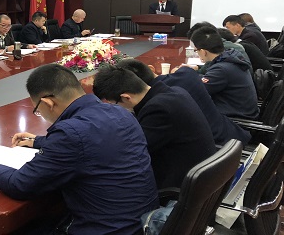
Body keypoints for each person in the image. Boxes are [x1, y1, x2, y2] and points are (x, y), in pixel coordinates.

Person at [0, 64, 158, 233]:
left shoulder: (70, 134)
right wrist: (38, 141)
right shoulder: (122, 113)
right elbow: (94, 141)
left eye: (37, 110)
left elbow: (20, 185)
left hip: (105, 229)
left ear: (48, 103)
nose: (39, 114)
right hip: (144, 222)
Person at [93, 65, 215, 189]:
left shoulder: (158, 109)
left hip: (180, 187)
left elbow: (131, 152)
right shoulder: (174, 91)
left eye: (112, 106)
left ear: (126, 97)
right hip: (199, 175)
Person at [117, 59, 251, 146]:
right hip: (232, 133)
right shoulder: (187, 73)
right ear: (151, 69)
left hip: (218, 147)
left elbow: (140, 145)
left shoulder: (158, 102)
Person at [190, 26, 259, 119]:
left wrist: (182, 75)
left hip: (234, 119)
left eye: (196, 50)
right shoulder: (230, 57)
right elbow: (208, 79)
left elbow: (196, 90)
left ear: (203, 52)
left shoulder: (222, 69)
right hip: (241, 111)